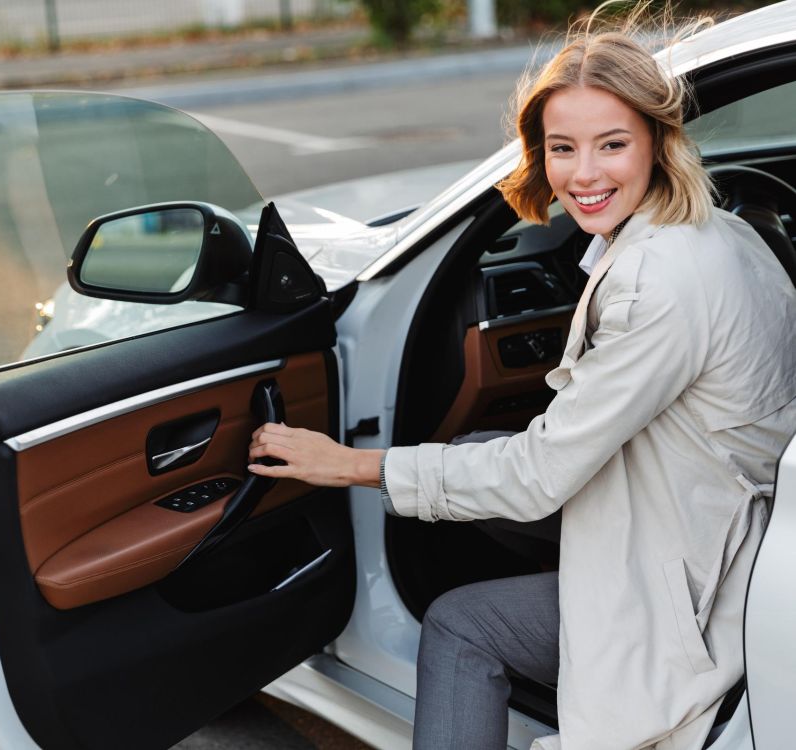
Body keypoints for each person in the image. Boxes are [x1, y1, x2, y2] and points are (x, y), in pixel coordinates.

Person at [247, 6, 796, 750]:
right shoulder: (725, 231)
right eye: (562, 148)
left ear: (659, 143)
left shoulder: (658, 284)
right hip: (714, 515)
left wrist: (346, 465)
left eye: (612, 145)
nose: (584, 174)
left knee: (462, 623)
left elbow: (538, 478)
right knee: (476, 445)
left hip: (696, 590)